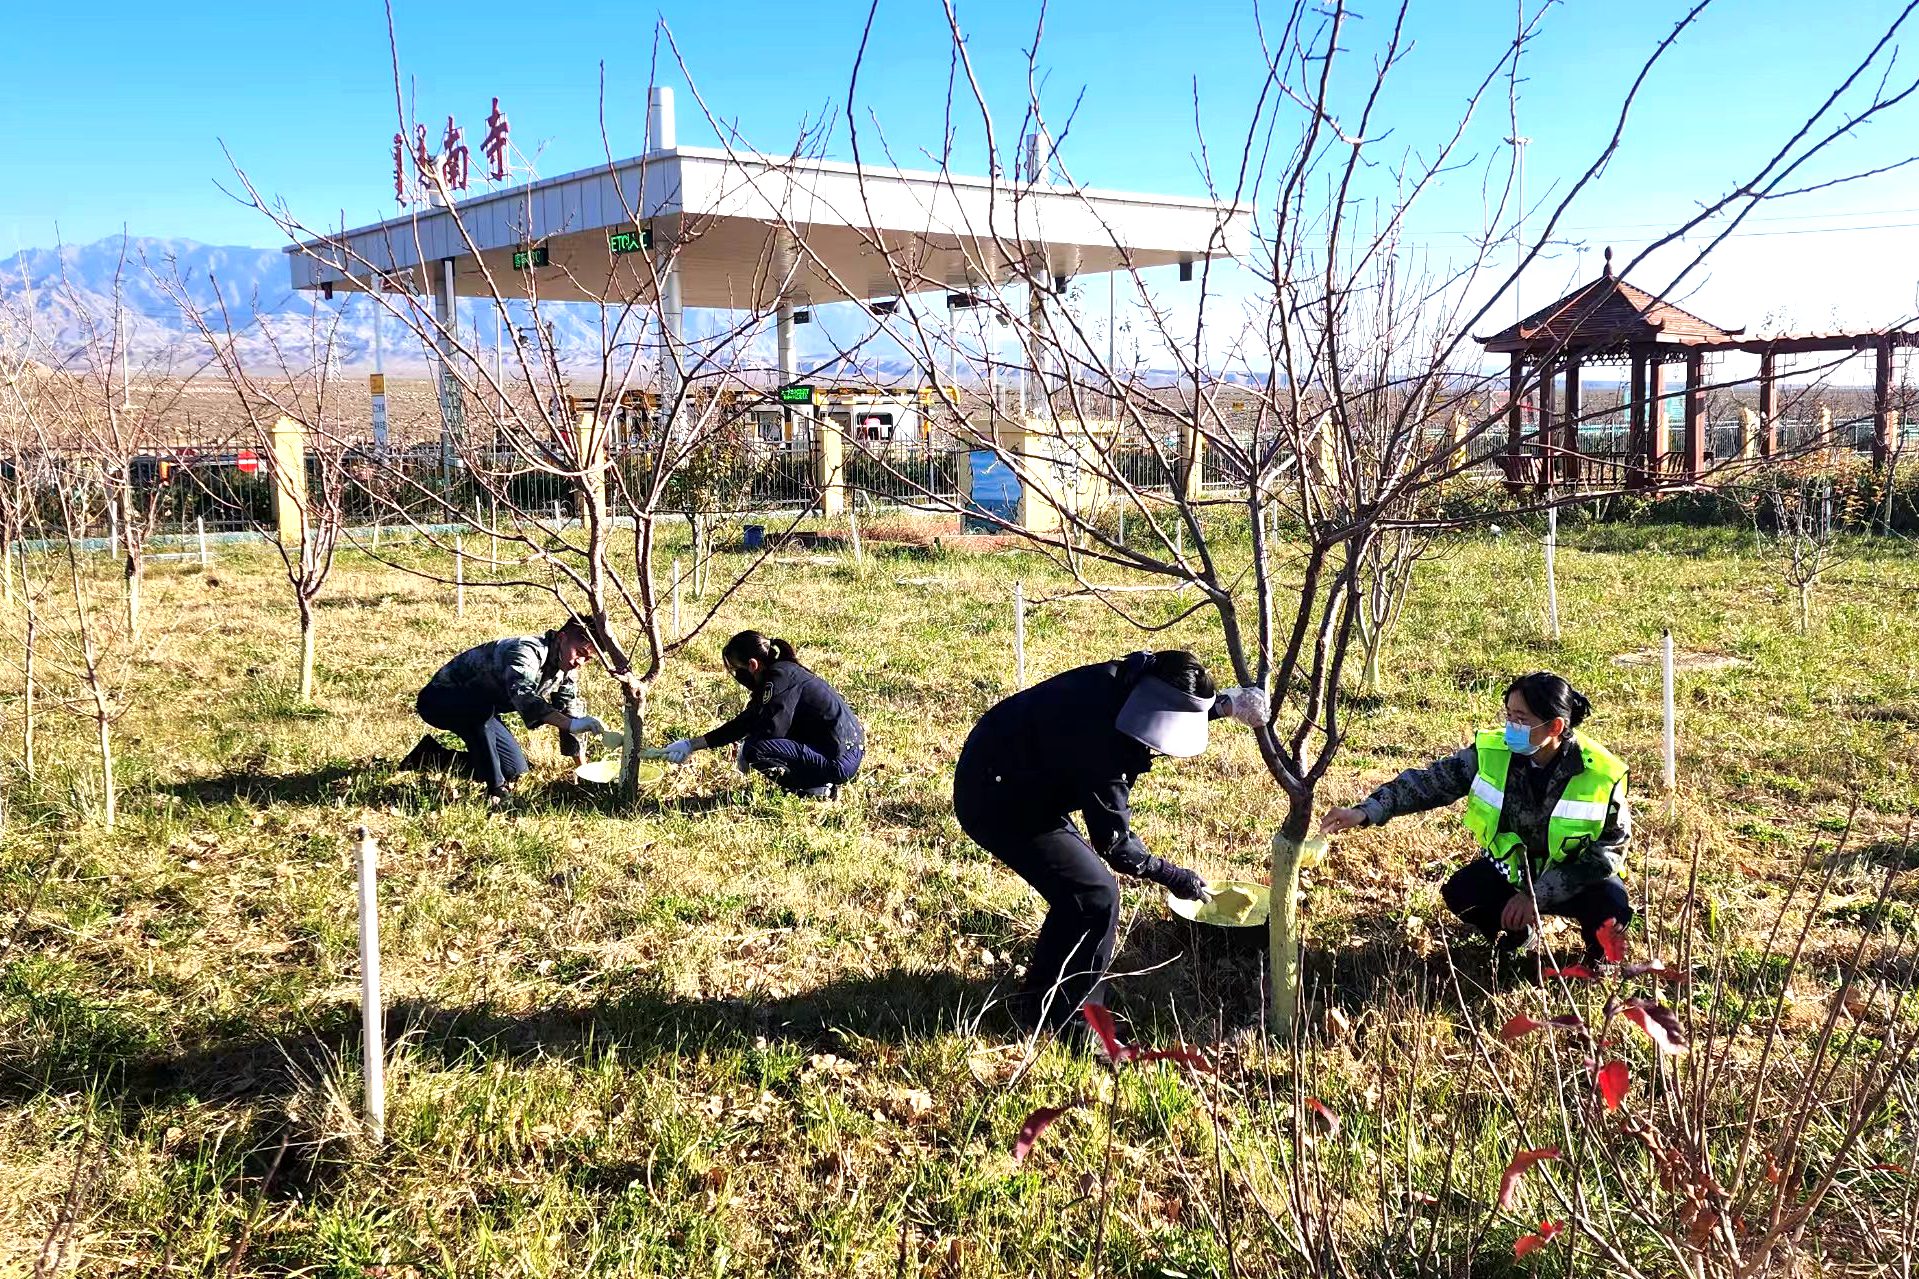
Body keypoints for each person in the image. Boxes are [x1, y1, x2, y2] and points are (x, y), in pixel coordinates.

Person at [952, 650, 1269, 1033]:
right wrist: (1174, 877)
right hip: (996, 796)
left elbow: (1172, 702)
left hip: (1014, 768)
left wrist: (1226, 705)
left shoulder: (1131, 679)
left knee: (1084, 894)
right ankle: (1066, 1021)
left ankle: (1046, 998)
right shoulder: (1102, 742)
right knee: (1093, 896)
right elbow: (1117, 847)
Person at [1319, 671, 1631, 968]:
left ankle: (1598, 960)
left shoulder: (1600, 773)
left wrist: (1537, 895)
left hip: (1575, 880)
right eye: (1509, 715)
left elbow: (1609, 851)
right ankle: (1521, 935)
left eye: (1522, 719)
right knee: (1463, 893)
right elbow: (1430, 783)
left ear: (1556, 727)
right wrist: (1366, 811)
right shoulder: (1492, 752)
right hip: (1514, 875)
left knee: (1612, 907)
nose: (1511, 727)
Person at [400, 617, 607, 805]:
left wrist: (582, 771)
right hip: (440, 700)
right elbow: (525, 698)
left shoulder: (566, 668)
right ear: (562, 638)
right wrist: (571, 724)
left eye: (587, 659)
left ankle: (429, 757)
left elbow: (568, 710)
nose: (580, 662)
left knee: (514, 770)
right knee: (480, 714)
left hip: (482, 709)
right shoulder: (526, 652)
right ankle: (497, 792)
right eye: (579, 653)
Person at [663, 631, 864, 798]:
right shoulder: (783, 673)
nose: (737, 676)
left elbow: (772, 730)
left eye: (736, 669)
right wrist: (691, 745)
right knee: (756, 743)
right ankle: (817, 783)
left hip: (839, 761)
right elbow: (747, 720)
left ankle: (815, 789)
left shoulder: (779, 679)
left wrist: (746, 749)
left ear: (752, 665)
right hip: (848, 751)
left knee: (757, 750)